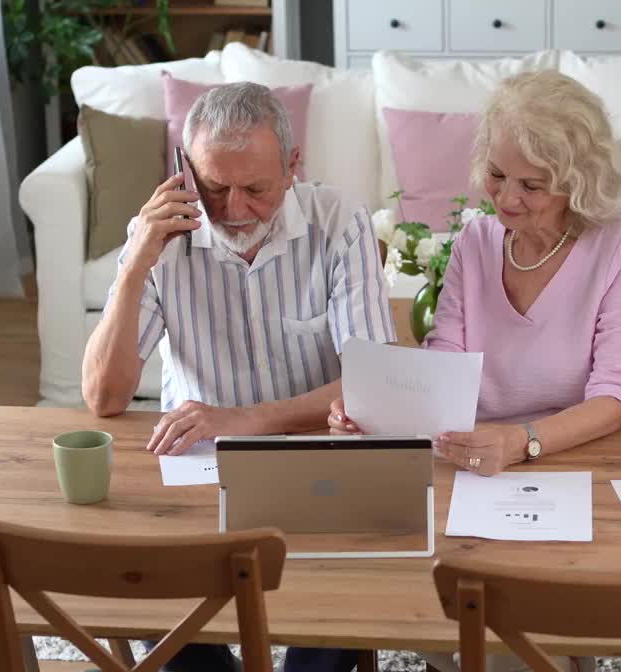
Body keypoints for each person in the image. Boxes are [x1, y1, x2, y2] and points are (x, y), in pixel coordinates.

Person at [328, 67, 621, 672]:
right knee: (425, 599)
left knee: (529, 623)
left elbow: (615, 397)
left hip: (604, 457)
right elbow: (446, 366)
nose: (506, 198)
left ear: (578, 181)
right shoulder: (476, 243)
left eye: (532, 185)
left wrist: (522, 442)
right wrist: (383, 413)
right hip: (493, 468)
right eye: (495, 174)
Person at [83, 81, 394, 672]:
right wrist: (135, 264)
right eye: (212, 187)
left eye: (255, 189)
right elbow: (103, 397)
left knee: (347, 604)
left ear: (293, 166)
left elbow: (374, 381)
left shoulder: (339, 222)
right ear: (183, 170)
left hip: (320, 466)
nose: (232, 210)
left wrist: (241, 421)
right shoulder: (160, 237)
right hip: (199, 477)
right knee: (155, 600)